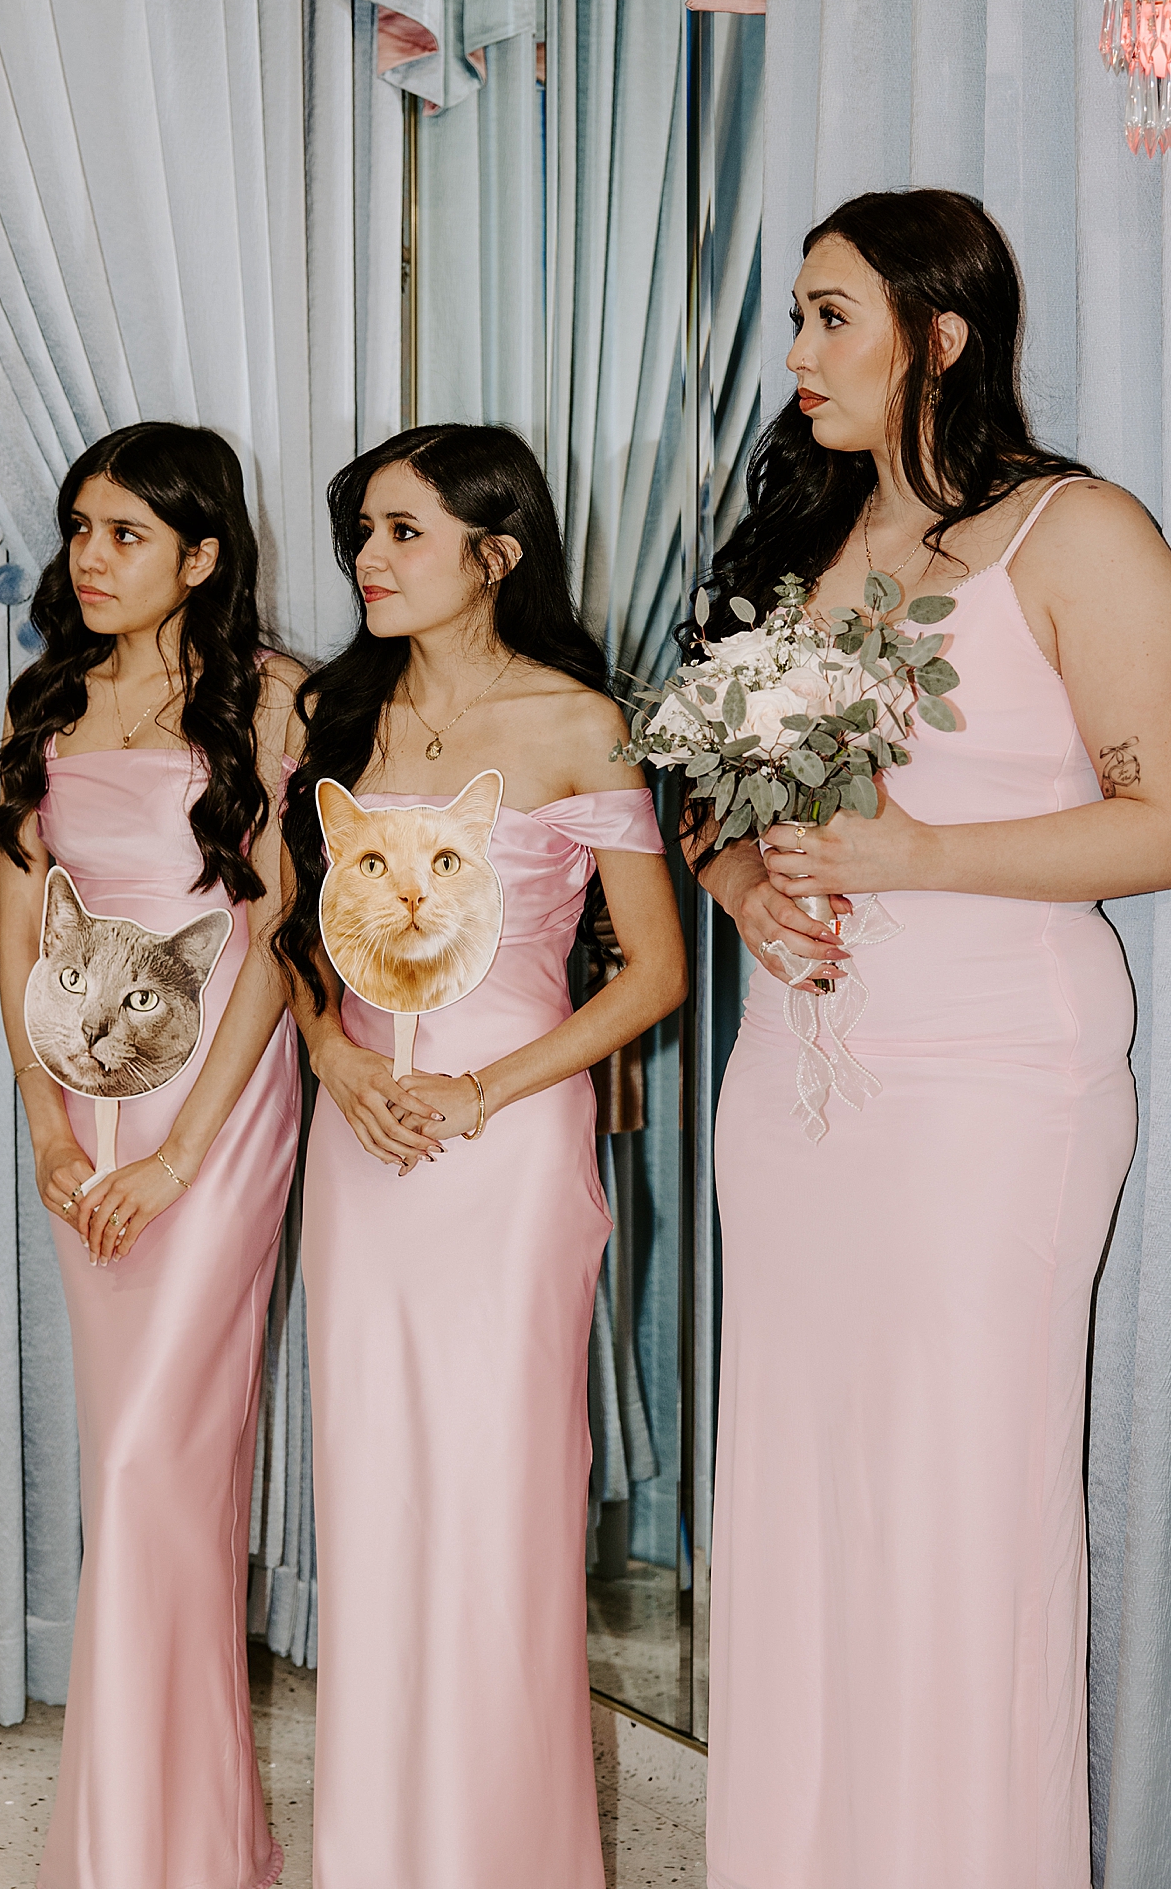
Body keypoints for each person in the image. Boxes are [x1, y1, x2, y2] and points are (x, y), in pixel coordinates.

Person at [690, 191, 1171, 1889]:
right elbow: (711, 794)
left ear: (944, 333)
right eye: (792, 318)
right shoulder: (798, 542)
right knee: (793, 1490)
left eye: (829, 317)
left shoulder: (1081, 534)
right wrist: (739, 889)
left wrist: (919, 855)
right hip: (796, 1084)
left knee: (952, 1503)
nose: (795, 355)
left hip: (993, 1090)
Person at [276, 423, 687, 1889]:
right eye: (363, 534)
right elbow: (292, 935)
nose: (370, 561)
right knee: (374, 1486)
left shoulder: (579, 721)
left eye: (401, 531)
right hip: (360, 1148)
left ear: (494, 550)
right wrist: (334, 1062)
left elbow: (650, 975)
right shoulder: (333, 708)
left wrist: (482, 1090)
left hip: (509, 1148)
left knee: (502, 1491)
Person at [0, 422, 302, 1889]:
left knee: (156, 1455)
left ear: (204, 554)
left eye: (124, 531)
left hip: (220, 1111)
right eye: (81, 529)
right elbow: (20, 939)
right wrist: (51, 1125)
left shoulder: (275, 700)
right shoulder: (49, 702)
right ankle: (186, 1841)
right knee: (139, 1474)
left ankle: (144, 1849)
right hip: (87, 1114)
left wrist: (182, 1160)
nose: (90, 558)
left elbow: (282, 942)